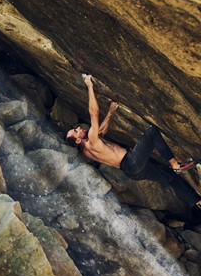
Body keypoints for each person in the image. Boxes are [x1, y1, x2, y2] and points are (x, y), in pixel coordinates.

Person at [65, 74, 201, 217]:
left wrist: (111, 112)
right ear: (78, 140)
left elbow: (100, 133)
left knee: (171, 178)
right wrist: (90, 86)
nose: (79, 128)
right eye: (76, 131)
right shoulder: (91, 140)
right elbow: (94, 113)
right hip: (131, 160)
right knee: (153, 132)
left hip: (131, 172)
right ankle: (175, 163)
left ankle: (196, 201)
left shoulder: (88, 150)